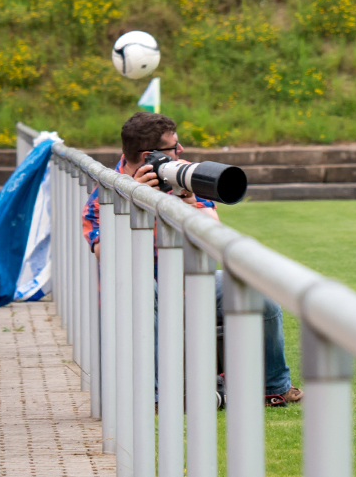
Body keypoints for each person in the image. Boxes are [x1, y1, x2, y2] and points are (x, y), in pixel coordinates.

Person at [82, 112, 302, 406]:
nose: (182, 151)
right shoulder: (107, 193)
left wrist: (186, 203)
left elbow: (213, 234)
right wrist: (136, 204)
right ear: (150, 155)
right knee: (147, 289)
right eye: (174, 147)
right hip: (138, 287)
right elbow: (103, 253)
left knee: (256, 288)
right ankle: (156, 398)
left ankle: (273, 387)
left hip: (190, 282)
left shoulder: (180, 176)